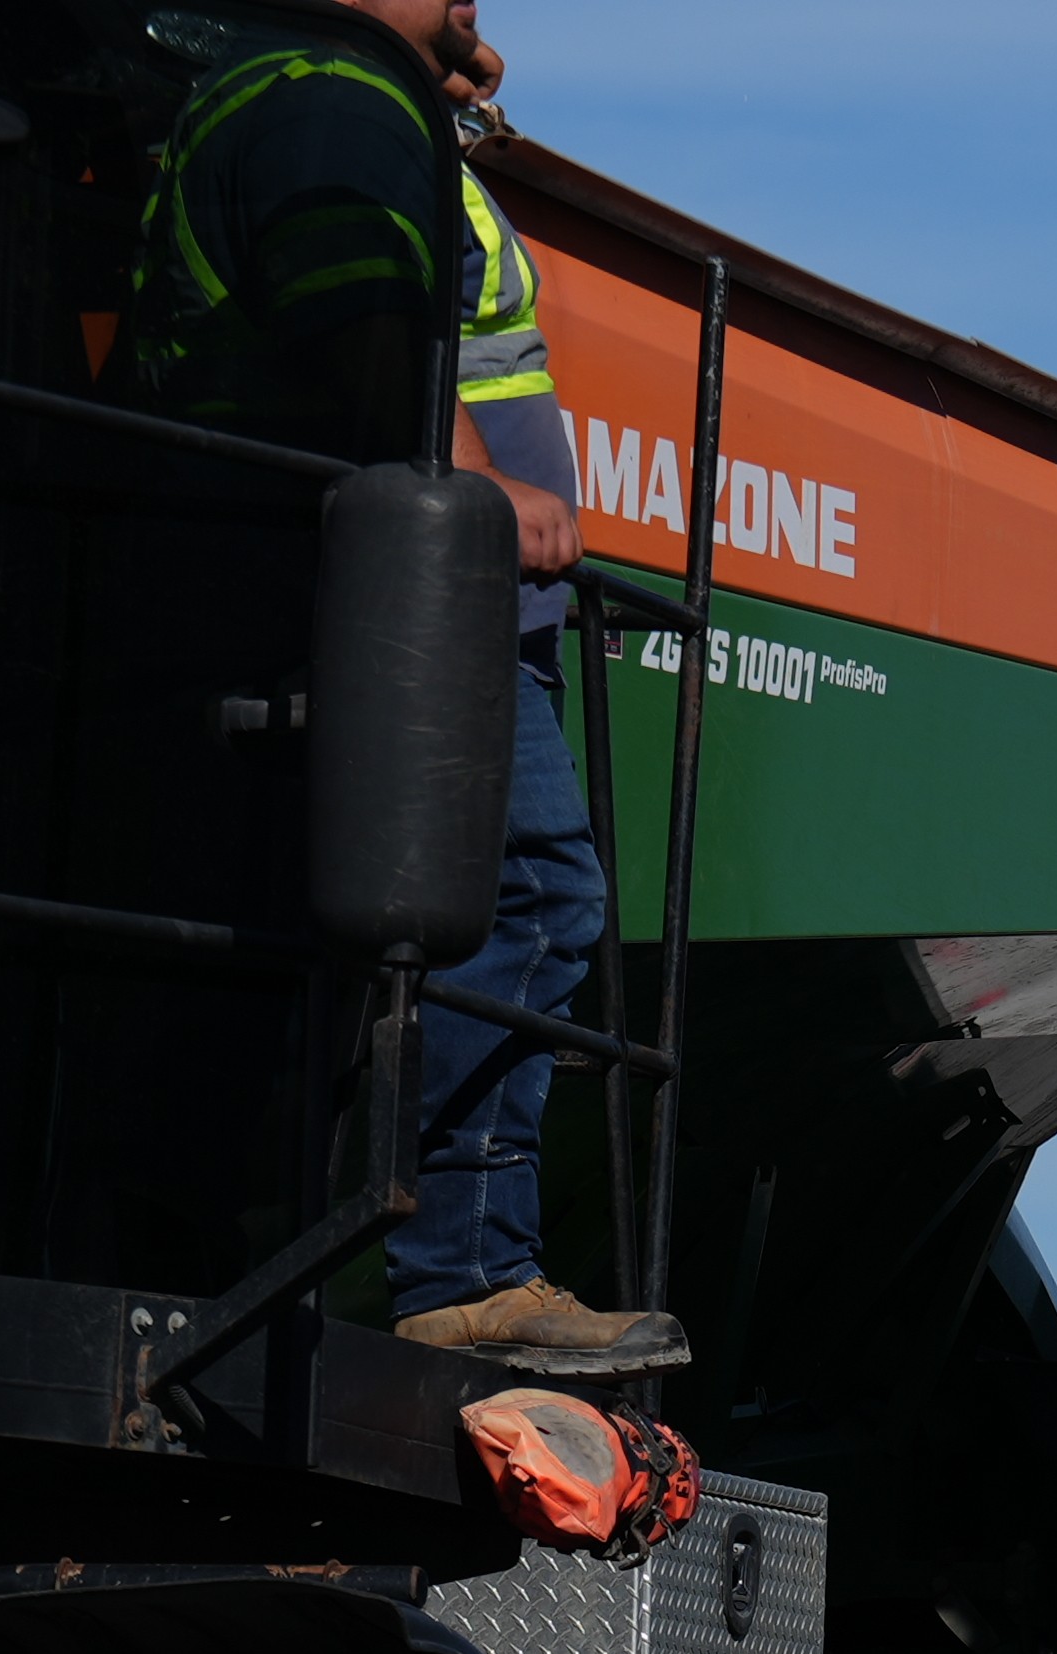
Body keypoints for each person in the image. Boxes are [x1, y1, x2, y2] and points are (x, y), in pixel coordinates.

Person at [142, 0, 681, 1370]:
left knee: (513, 907)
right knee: (532, 898)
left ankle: (447, 1260)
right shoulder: (330, 110)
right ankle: (466, 1271)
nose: (478, 10)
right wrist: (484, 499)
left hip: (425, 599)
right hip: (420, 604)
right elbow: (368, 339)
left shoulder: (352, 99)